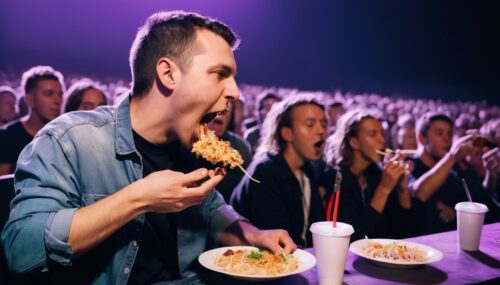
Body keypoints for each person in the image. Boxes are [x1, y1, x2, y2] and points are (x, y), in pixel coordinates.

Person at [1, 11, 295, 284]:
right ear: (168, 74)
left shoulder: (190, 146)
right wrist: (138, 198)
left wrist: (252, 234)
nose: (235, 91)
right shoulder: (69, 140)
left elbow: (211, 208)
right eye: (220, 74)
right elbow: (20, 247)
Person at [231, 94, 328, 248]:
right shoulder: (265, 172)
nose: (321, 131)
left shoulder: (308, 169)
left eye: (324, 124)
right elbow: (277, 241)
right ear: (287, 133)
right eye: (310, 124)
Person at [321, 110, 415, 241]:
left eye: (382, 134)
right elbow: (355, 236)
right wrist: (384, 188)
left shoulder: (375, 174)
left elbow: (405, 229)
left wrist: (402, 188)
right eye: (373, 134)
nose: (382, 140)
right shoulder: (337, 177)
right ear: (354, 142)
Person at [409, 113, 471, 234]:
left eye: (449, 134)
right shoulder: (409, 166)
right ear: (422, 138)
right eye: (439, 133)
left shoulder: (453, 172)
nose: (447, 139)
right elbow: (420, 193)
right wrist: (452, 157)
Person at [0, 66, 64, 175]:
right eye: (48, 94)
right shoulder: (7, 137)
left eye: (60, 94)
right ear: (30, 99)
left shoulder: (64, 137)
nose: (57, 100)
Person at [204, 100, 252, 202]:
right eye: (215, 106)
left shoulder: (240, 147)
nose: (219, 114)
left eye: (226, 107)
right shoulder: (183, 143)